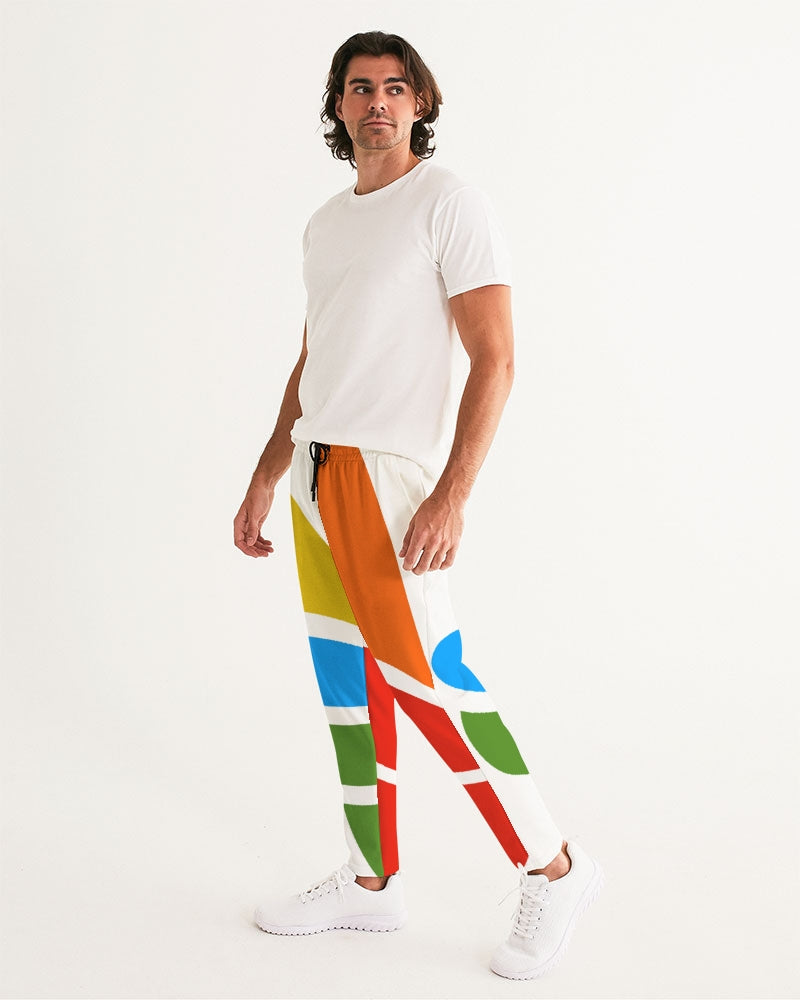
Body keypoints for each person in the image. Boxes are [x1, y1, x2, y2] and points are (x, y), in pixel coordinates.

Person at [233, 29, 603, 981]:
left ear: (421, 103)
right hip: (316, 473)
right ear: (338, 105)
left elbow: (497, 358)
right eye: (360, 88)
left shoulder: (450, 201)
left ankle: (554, 867)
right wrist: (268, 471)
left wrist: (452, 494)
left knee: (433, 684)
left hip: (387, 480)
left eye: (396, 88)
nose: (378, 103)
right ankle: (372, 881)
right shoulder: (326, 224)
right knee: (350, 691)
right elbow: (315, 356)